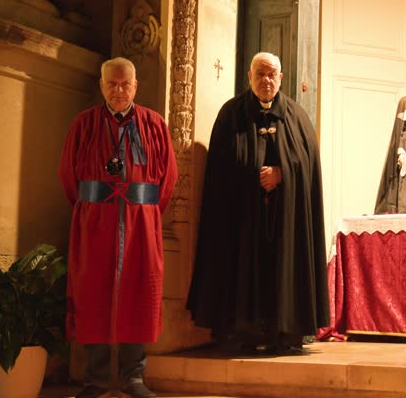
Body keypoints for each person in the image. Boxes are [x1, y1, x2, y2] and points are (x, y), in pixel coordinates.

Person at [186, 52, 329, 354]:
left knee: (283, 265)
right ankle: (242, 332)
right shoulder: (230, 115)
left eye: (271, 74)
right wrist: (252, 174)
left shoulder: (297, 118)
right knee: (242, 265)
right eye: (260, 74)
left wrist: (282, 173)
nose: (266, 80)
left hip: (285, 219)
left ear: (281, 77)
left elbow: (307, 167)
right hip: (242, 218)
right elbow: (220, 170)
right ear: (249, 77)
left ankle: (284, 333)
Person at [58, 57, 178, 398]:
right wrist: (90, 211)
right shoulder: (83, 124)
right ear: (101, 85)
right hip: (94, 222)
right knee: (92, 294)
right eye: (112, 83)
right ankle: (95, 380)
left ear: (136, 86)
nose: (119, 90)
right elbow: (68, 176)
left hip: (142, 224)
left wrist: (147, 214)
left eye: (125, 83)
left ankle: (132, 377)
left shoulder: (154, 124)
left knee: (139, 294)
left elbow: (168, 178)